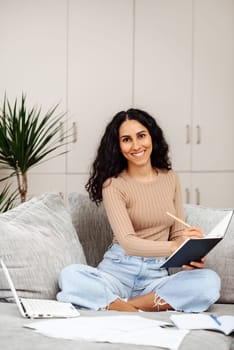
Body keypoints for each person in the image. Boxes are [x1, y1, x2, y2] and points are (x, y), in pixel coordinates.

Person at [57, 108, 220, 312]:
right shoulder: (113, 184)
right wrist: (174, 247)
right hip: (117, 273)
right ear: (118, 146)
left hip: (156, 277)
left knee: (209, 282)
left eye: (141, 136)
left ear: (152, 137)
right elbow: (128, 242)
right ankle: (144, 307)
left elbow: (177, 233)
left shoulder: (170, 178)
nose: (136, 146)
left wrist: (189, 253)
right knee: (70, 275)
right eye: (126, 139)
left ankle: (121, 306)